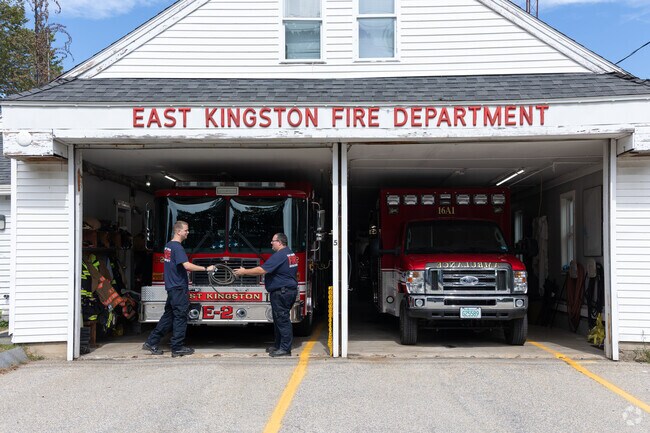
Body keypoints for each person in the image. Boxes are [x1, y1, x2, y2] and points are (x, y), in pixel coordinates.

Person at [142, 220, 215, 357]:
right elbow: (187, 266)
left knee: (168, 316)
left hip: (171, 287)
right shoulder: (177, 247)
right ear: (178, 231)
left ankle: (151, 342)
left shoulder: (168, 246)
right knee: (180, 317)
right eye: (186, 230)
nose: (188, 233)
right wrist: (206, 268)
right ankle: (177, 347)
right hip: (178, 288)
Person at [233, 233, 298, 357]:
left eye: (273, 241)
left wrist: (244, 271)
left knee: (282, 320)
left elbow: (262, 270)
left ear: (279, 242)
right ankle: (278, 346)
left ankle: (285, 349)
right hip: (287, 291)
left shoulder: (280, 255)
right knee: (279, 320)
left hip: (282, 292)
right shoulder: (290, 253)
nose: (271, 243)